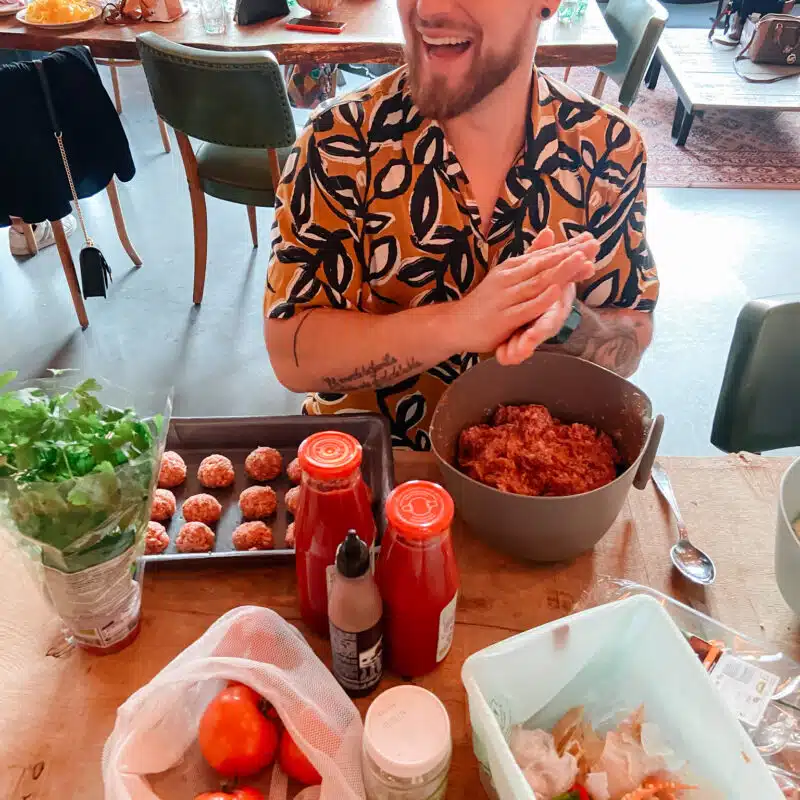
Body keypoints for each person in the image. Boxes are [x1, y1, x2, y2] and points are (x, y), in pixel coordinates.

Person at [265, 0, 659, 450]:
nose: (427, 8)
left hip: (535, 471)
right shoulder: (339, 139)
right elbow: (291, 354)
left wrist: (565, 321)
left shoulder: (608, 149)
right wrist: (460, 323)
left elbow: (631, 334)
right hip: (368, 466)